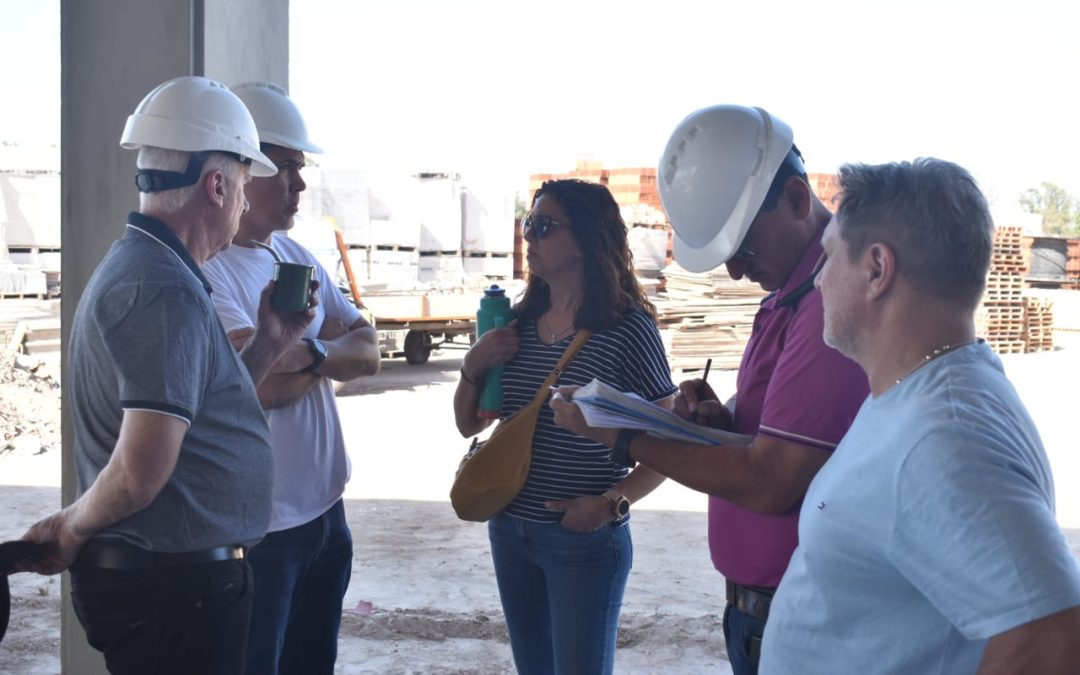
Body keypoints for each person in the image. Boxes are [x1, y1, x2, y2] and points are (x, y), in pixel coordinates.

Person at [550, 105, 869, 675]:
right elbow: (782, 444)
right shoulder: (789, 297)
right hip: (765, 611)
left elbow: (772, 481)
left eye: (743, 250)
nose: (737, 275)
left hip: (797, 616)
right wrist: (724, 426)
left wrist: (623, 437)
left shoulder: (829, 308)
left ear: (797, 200)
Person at [15, 75, 315, 674]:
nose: (245, 198)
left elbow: (196, 408)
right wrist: (69, 527)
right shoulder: (161, 289)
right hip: (176, 594)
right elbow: (141, 468)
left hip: (179, 588)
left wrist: (269, 344)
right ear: (216, 185)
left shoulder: (158, 272)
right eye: (244, 181)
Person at [759, 158, 1080, 673]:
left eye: (829, 258)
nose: (817, 281)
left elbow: (1051, 636)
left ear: (877, 269)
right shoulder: (918, 393)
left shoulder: (944, 436)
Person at [453, 179, 676, 674]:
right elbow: (468, 424)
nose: (529, 236)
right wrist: (474, 365)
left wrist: (611, 503)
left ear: (586, 240)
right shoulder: (512, 324)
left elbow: (669, 440)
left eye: (544, 226)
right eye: (528, 224)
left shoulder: (627, 328)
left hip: (583, 539)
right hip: (510, 529)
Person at [201, 81, 380, 675]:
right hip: (265, 534)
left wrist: (307, 351)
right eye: (288, 168)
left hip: (328, 516)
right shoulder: (210, 270)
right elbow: (254, 386)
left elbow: (371, 351)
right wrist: (324, 355)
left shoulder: (296, 256)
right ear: (243, 173)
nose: (300, 184)